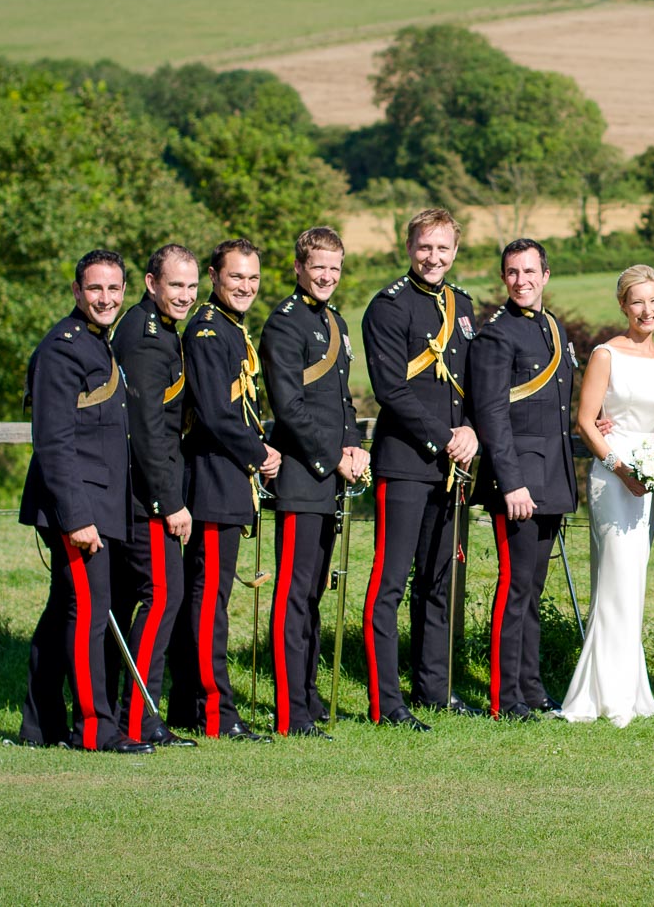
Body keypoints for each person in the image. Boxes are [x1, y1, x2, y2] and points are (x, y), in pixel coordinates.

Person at [17, 250, 151, 753]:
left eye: (114, 289)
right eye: (95, 289)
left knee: (64, 614)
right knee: (89, 614)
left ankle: (41, 724)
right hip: (78, 511)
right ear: (77, 291)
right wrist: (76, 518)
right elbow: (53, 442)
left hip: (99, 506)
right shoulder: (62, 348)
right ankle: (94, 728)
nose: (106, 298)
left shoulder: (100, 345)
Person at [361, 209, 478, 730]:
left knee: (439, 581)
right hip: (406, 463)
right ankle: (388, 703)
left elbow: (480, 382)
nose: (434, 258)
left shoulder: (464, 306)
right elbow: (391, 390)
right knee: (390, 586)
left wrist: (472, 429)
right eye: (425, 247)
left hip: (452, 466)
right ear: (409, 247)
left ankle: (436, 689)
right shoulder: (387, 308)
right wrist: (446, 438)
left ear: (456, 250)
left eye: (443, 249)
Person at [167, 239, 279, 742]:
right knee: (207, 602)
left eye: (253, 279)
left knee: (204, 599)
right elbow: (215, 413)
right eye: (237, 277)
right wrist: (260, 453)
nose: (246, 287)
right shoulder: (211, 331)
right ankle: (215, 713)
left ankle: (189, 707)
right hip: (213, 480)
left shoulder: (232, 329)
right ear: (215, 277)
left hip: (227, 480)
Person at [260, 227, 366, 738]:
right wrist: (332, 458)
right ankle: (289, 708)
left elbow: (340, 400)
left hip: (328, 476)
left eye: (334, 268)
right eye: (318, 267)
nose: (326, 276)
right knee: (293, 594)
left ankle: (305, 692)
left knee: (313, 595)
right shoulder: (283, 324)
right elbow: (290, 407)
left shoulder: (335, 321)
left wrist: (353, 446)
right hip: (302, 477)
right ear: (299, 267)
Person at [468, 239, 578, 721]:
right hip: (518, 484)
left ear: (546, 275)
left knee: (533, 589)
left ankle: (530, 688)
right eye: (512, 272)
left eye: (530, 271)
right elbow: (491, 414)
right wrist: (511, 483)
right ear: (503, 278)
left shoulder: (552, 327)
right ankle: (503, 696)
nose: (522, 281)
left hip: (551, 476)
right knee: (514, 589)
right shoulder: (496, 335)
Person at [563, 265, 654, 727]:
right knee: (616, 577)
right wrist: (619, 466)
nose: (647, 310)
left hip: (650, 476)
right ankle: (603, 695)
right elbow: (587, 421)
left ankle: (628, 687)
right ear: (624, 307)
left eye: (653, 301)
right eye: (637, 302)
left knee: (633, 581)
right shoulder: (607, 354)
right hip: (614, 476)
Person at [105, 244, 200, 749]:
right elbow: (145, 431)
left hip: (150, 492)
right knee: (161, 598)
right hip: (148, 498)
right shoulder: (145, 340)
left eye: (191, 286)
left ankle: (142, 715)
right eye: (175, 285)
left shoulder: (161, 331)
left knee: (158, 600)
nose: (184, 296)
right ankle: (137, 718)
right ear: (151, 283)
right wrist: (171, 502)